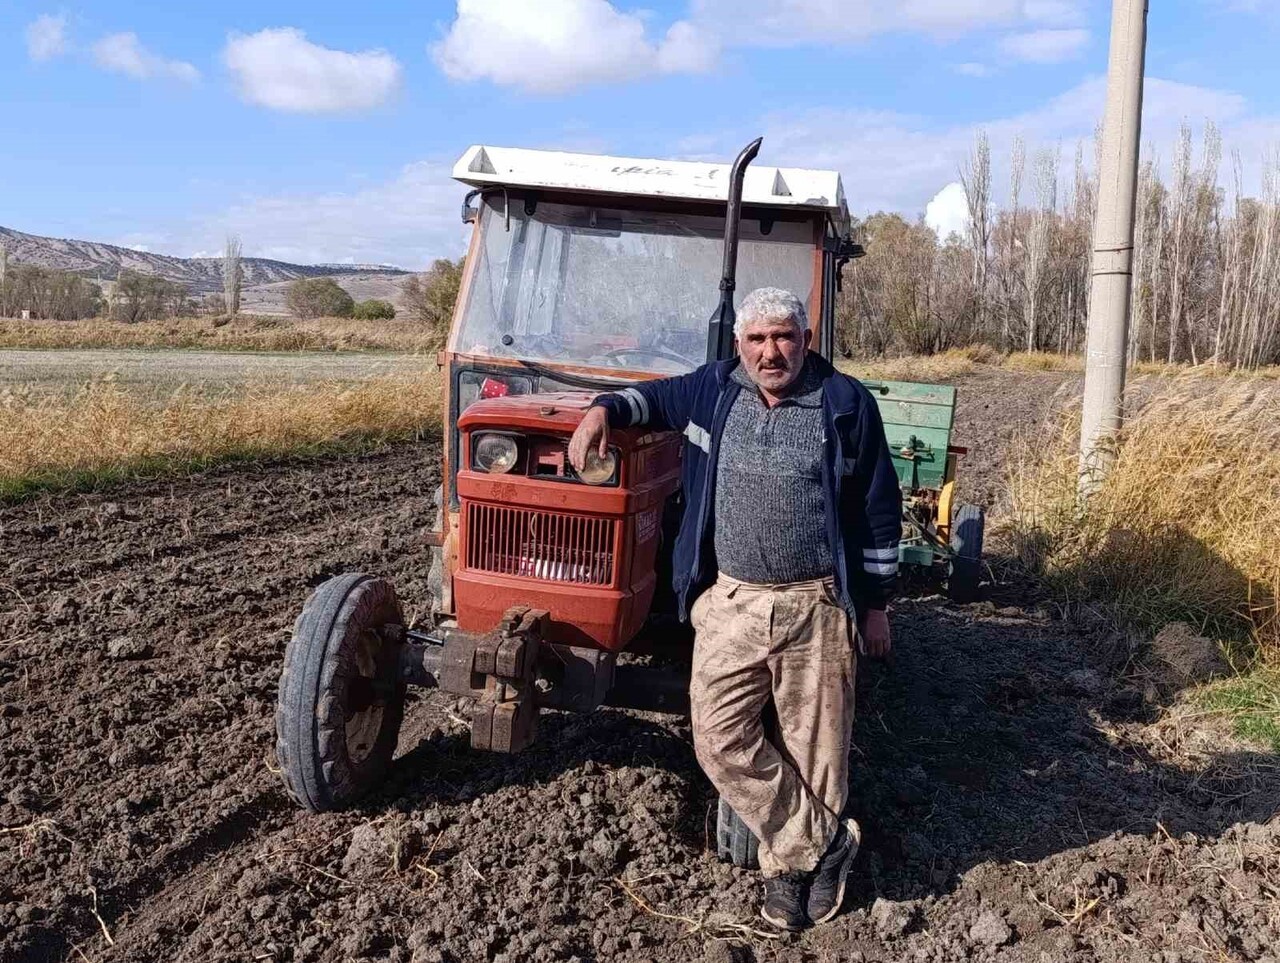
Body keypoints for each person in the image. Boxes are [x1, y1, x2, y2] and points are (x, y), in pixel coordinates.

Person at [568, 287, 902, 930]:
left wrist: (878, 605)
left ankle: (788, 872)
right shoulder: (715, 388)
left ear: (805, 341)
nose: (770, 351)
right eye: (758, 340)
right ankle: (824, 844)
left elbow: (875, 505)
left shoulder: (844, 402)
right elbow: (649, 399)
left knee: (816, 751)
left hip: (816, 603)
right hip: (732, 599)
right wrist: (600, 410)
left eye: (783, 337)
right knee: (718, 738)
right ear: (739, 345)